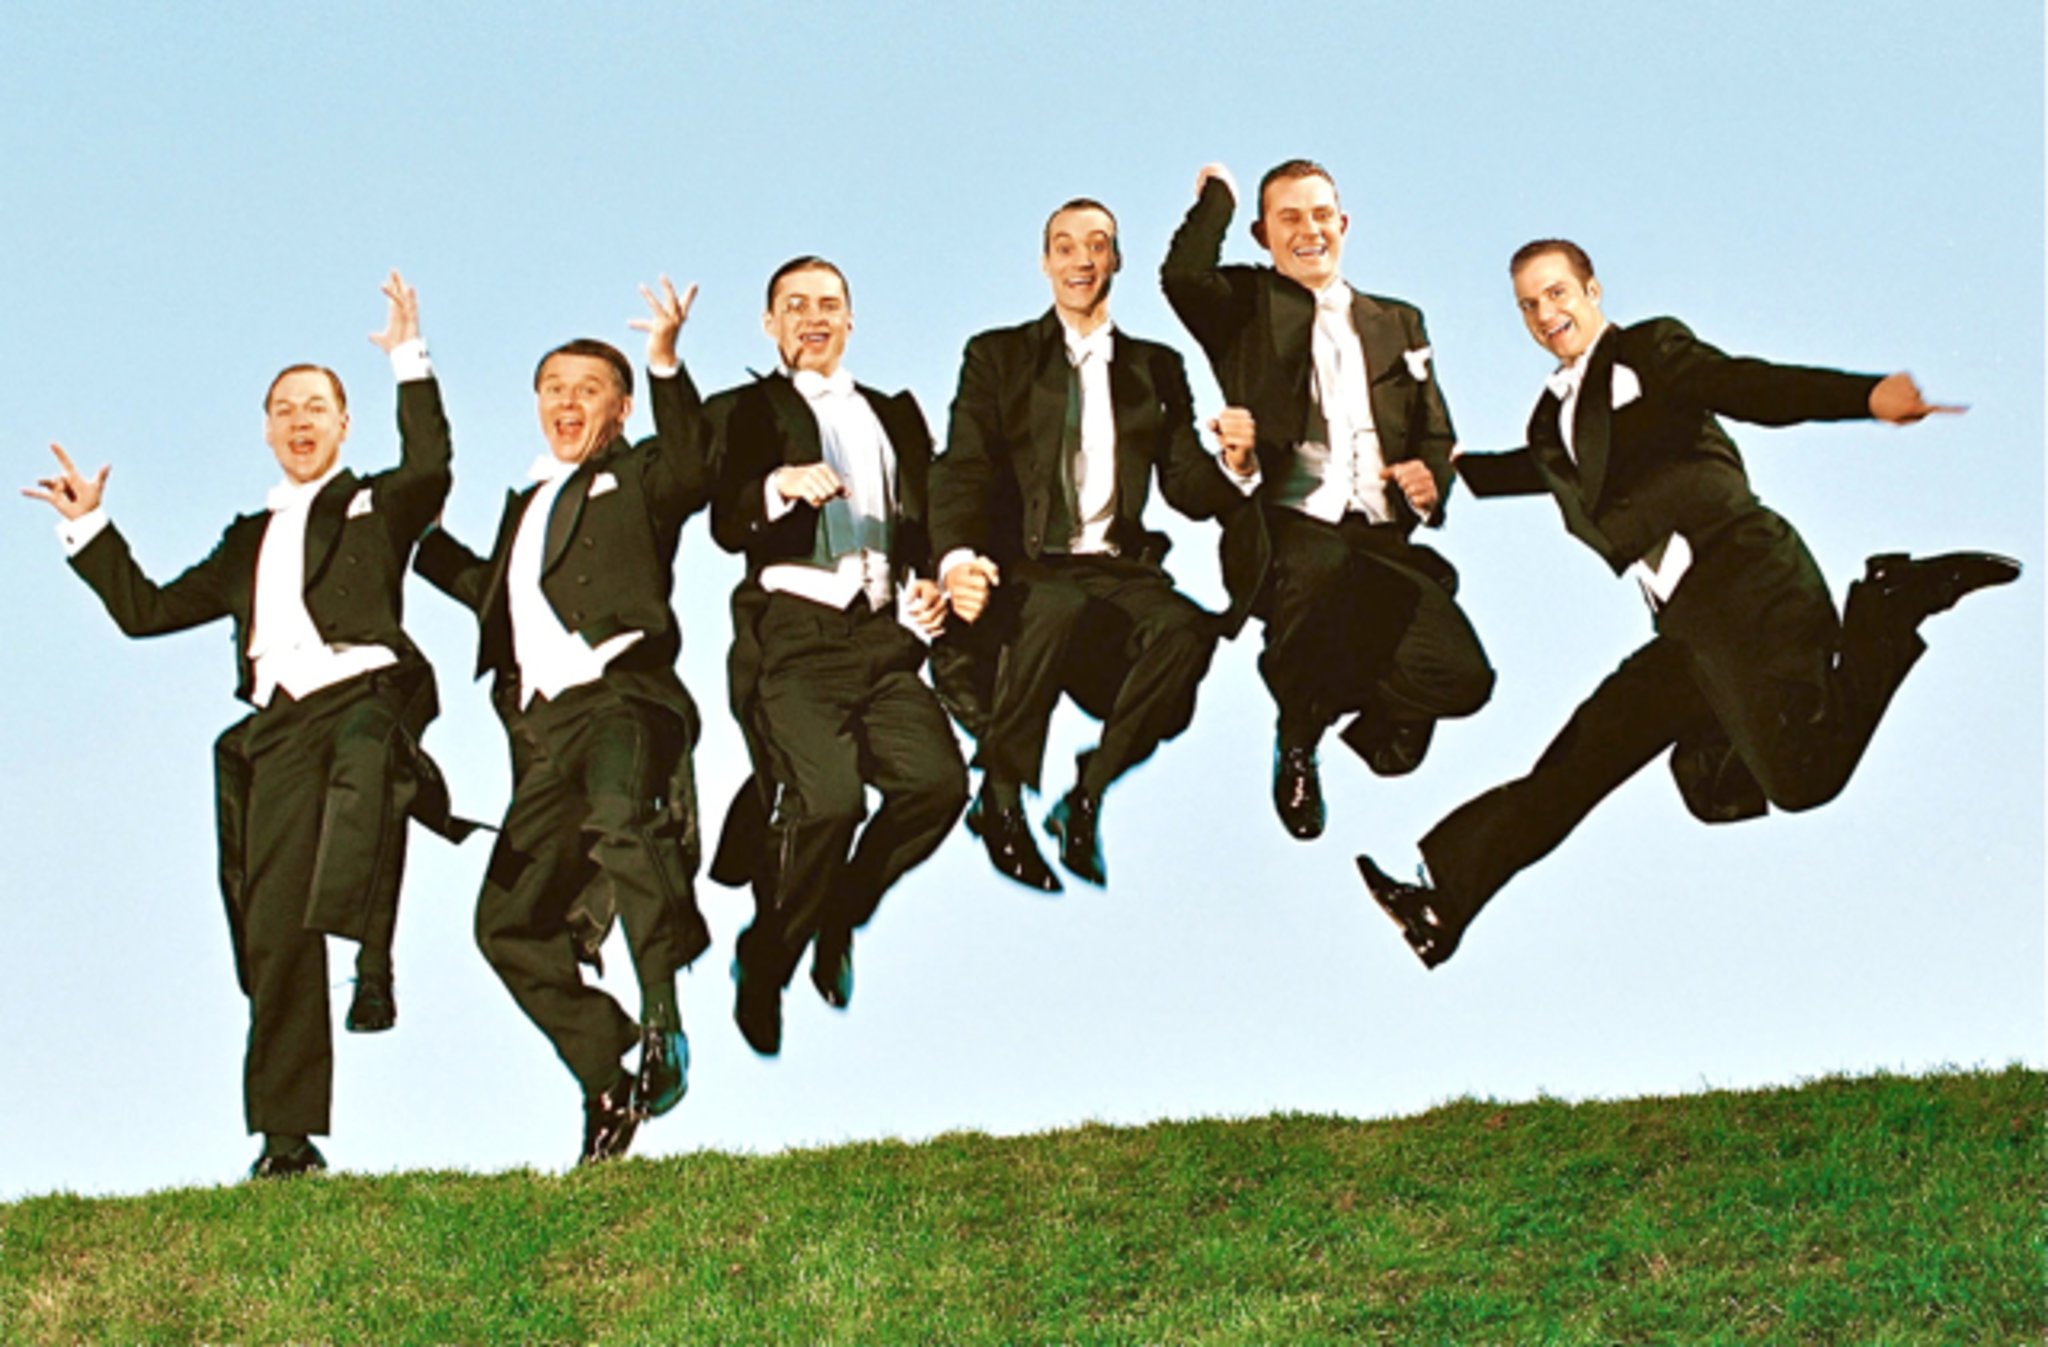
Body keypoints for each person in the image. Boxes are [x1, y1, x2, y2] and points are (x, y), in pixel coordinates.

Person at [1357, 239, 2021, 969]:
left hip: (1748, 581)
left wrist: (1863, 397)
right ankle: (1441, 901)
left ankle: (1888, 606)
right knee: (1584, 767)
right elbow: (1548, 468)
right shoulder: (1550, 420)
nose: (1545, 314)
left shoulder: (1648, 352)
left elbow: (1746, 385)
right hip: (1687, 627)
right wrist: (1450, 471)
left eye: (1557, 293)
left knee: (1803, 781)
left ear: (1592, 291)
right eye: (1528, 305)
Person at [26, 272, 466, 1178]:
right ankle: (287, 1139)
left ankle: (372, 957)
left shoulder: (377, 505)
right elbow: (146, 611)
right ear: (266, 430)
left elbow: (430, 466)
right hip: (280, 729)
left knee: (365, 763)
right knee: (274, 929)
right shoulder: (244, 538)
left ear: (344, 425)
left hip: (364, 696)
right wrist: (89, 525)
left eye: (317, 407)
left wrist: (407, 358)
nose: (300, 420)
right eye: (284, 409)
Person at [411, 278, 710, 1164]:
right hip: (544, 731)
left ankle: (663, 1021)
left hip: (622, 700)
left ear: (619, 408)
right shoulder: (527, 504)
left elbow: (693, 465)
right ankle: (608, 1070)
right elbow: (497, 595)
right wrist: (419, 543)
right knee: (504, 920)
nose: (567, 402)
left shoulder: (638, 474)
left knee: (625, 825)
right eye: (553, 388)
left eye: (588, 389)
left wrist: (665, 362)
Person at [1161, 159, 1495, 841]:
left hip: (1379, 536)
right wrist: (1219, 197)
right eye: (1288, 218)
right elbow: (1182, 276)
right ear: (1262, 235)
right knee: (1321, 567)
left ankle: (1349, 702)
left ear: (1343, 224)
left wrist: (1431, 481)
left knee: (1466, 680)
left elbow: (1435, 432)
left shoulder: (1399, 320)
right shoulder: (1244, 305)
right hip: (1288, 528)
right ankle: (1298, 733)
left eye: (1321, 215)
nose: (1308, 230)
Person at [931, 196, 1256, 890]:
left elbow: (1185, 484)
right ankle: (999, 798)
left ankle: (1086, 795)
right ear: (1045, 263)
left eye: (1097, 244)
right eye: (1066, 246)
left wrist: (1237, 464)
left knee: (1189, 631)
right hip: (1029, 563)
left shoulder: (1157, 366)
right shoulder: (997, 355)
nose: (1082, 259)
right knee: (1054, 605)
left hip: (1118, 569)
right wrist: (957, 559)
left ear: (1117, 259)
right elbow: (964, 466)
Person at [704, 255, 968, 1057]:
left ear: (850, 320)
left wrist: (934, 581)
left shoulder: (894, 413)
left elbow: (928, 520)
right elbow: (725, 520)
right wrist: (779, 483)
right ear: (769, 324)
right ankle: (767, 955)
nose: (812, 317)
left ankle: (841, 912)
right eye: (794, 305)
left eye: (827, 304)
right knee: (829, 803)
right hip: (796, 634)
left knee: (938, 784)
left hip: (884, 637)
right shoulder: (749, 410)